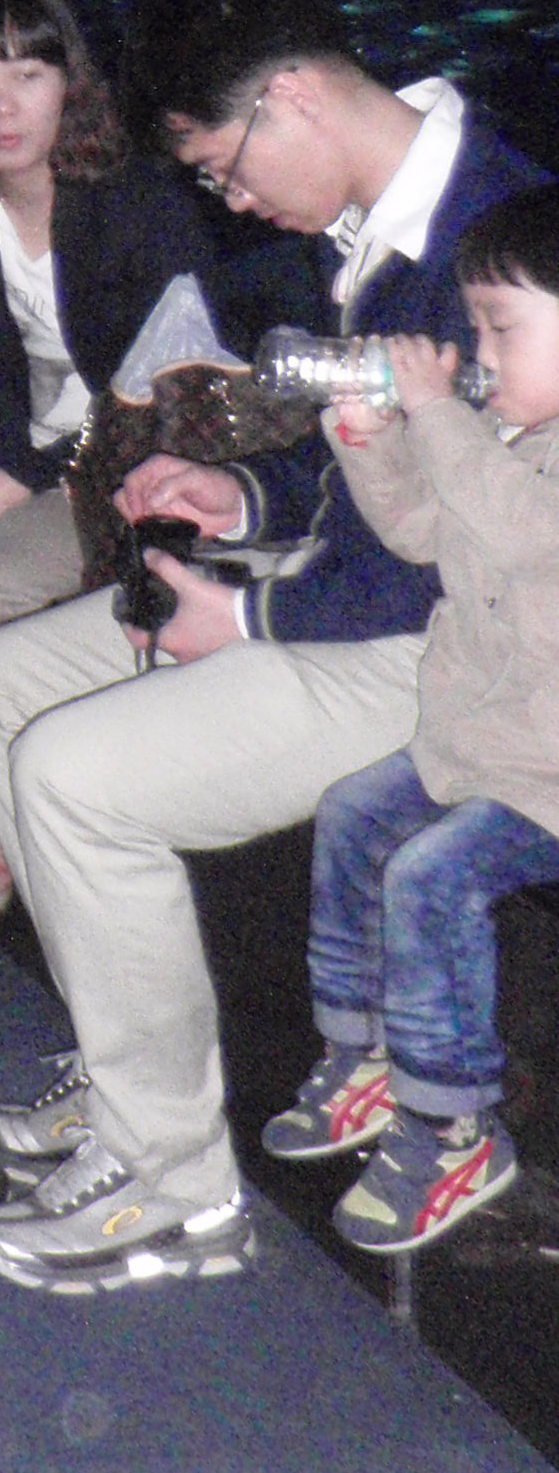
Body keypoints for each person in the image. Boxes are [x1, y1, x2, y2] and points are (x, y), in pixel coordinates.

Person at [0, 0, 541, 1295]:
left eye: (222, 167)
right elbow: (361, 463)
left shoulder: (501, 239)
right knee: (3, 682)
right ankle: (130, 1073)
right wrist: (244, 494)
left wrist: (250, 610)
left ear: (290, 98)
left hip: (463, 649)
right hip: (358, 582)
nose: (228, 200)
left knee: (73, 773)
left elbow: (483, 555)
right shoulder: (383, 226)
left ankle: (171, 1185)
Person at [264, 188, 559, 1253]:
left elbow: (524, 532)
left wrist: (435, 414)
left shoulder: (513, 457)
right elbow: (424, 530)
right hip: (483, 747)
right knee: (355, 814)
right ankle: (364, 1055)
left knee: (432, 877)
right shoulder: (509, 437)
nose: (478, 353)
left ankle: (451, 1124)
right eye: (474, 328)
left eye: (503, 329)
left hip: (548, 780)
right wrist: (370, 439)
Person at [0, 0, 209, 928]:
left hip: (132, 476)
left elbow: (171, 400)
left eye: (27, 74)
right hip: (28, 454)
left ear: (69, 79)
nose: (1, 106)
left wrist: (14, 479)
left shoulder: (138, 205)